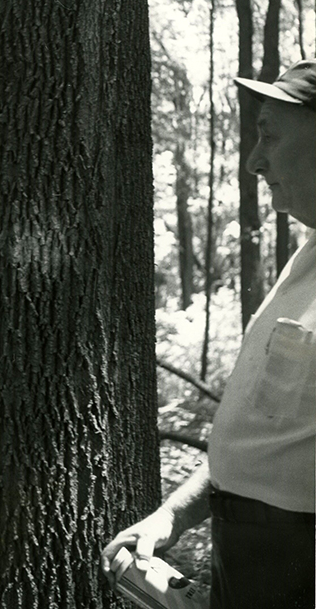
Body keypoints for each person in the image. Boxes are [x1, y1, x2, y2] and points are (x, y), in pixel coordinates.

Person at [101, 59, 316, 608]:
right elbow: (263, 436)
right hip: (250, 555)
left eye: (270, 136)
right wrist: (170, 516)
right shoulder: (305, 262)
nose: (254, 160)